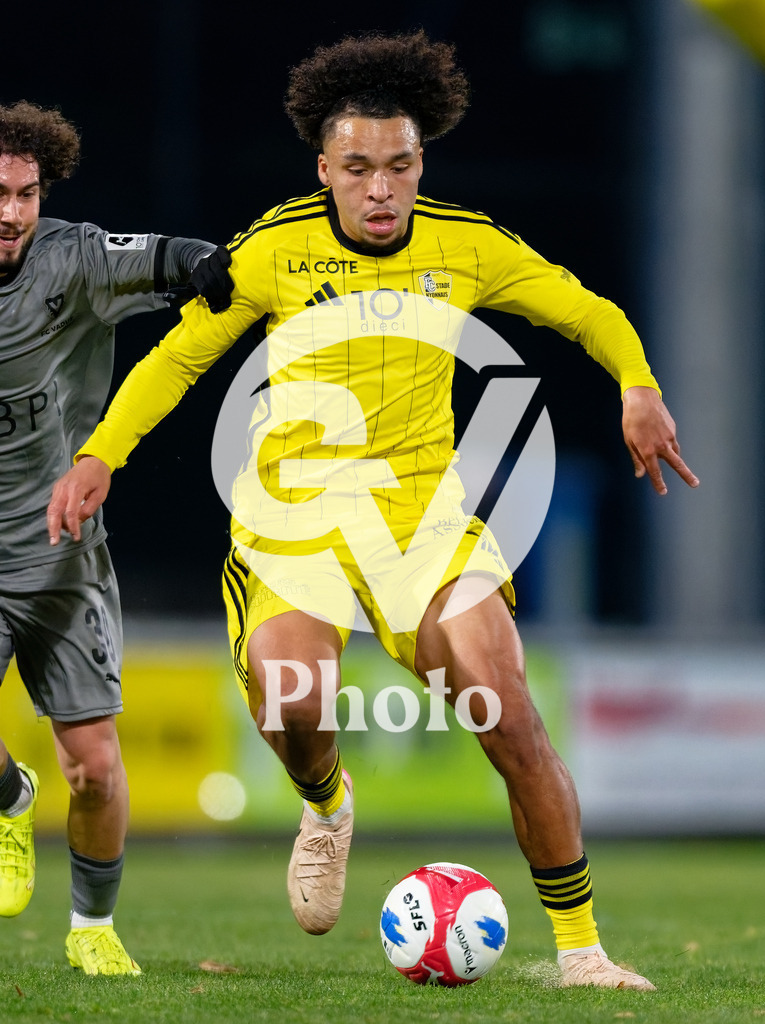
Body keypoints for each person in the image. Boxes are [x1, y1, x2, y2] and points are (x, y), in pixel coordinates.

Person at [47, 32, 699, 989]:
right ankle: (326, 800)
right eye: (358, 168)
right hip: (293, 526)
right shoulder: (273, 251)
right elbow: (178, 358)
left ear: (420, 160)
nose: (380, 188)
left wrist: (637, 385)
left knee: (508, 709)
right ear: (325, 168)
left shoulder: (466, 246)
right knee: (292, 697)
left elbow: (588, 311)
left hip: (423, 527)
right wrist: (103, 451)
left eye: (398, 165)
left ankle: (582, 952)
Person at [0, 100, 229, 975]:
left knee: (92, 767)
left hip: (63, 554)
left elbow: (176, 256)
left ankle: (92, 928)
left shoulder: (72, 259)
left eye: (26, 193)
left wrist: (210, 267)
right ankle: (10, 796)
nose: (10, 211)